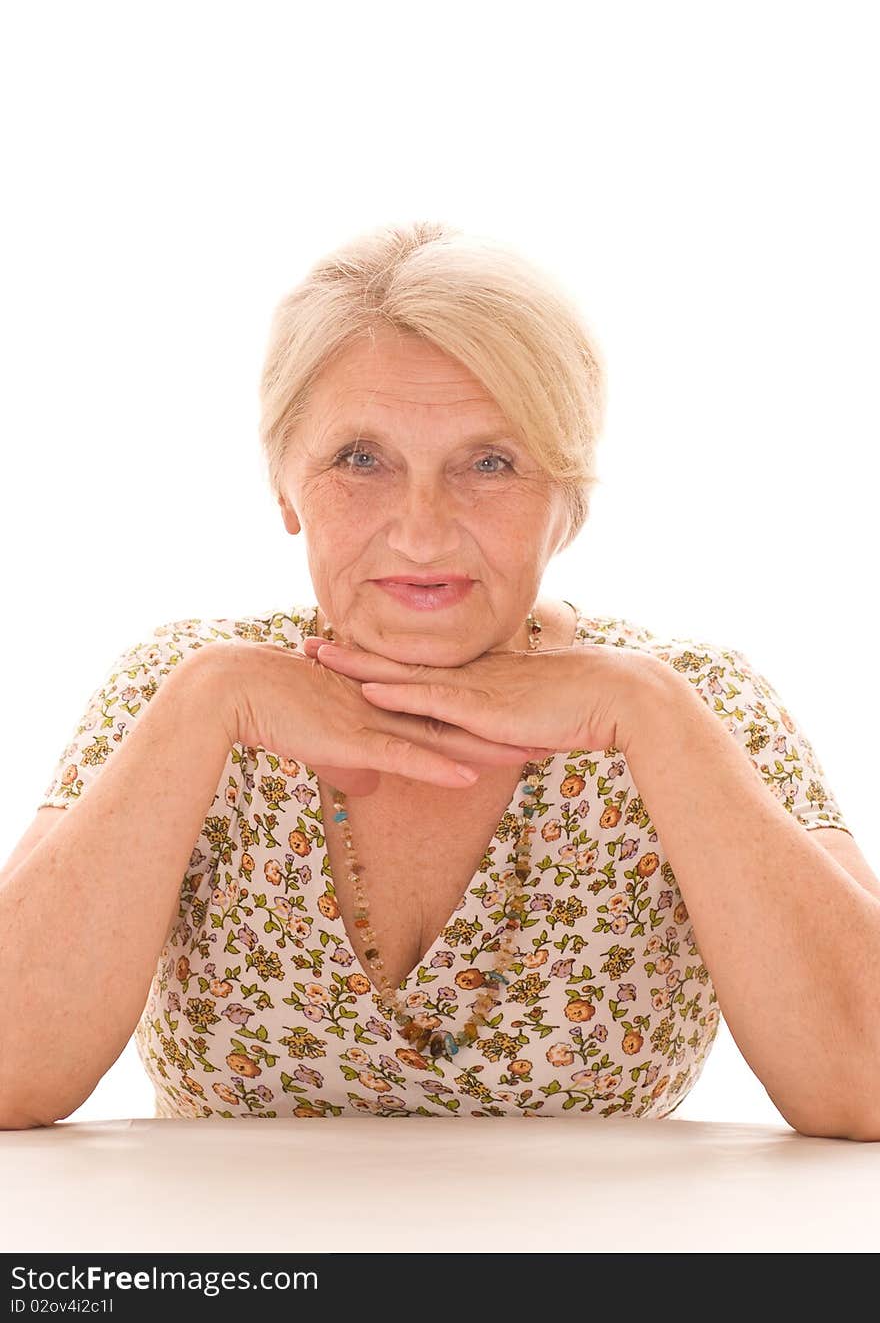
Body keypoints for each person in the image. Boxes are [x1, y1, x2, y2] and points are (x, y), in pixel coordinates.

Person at [1, 221, 872, 1131]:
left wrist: (646, 711)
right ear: (285, 483)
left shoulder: (700, 702)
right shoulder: (179, 688)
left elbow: (866, 1080)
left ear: (568, 499)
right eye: (360, 459)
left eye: (490, 463)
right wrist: (205, 706)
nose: (421, 530)